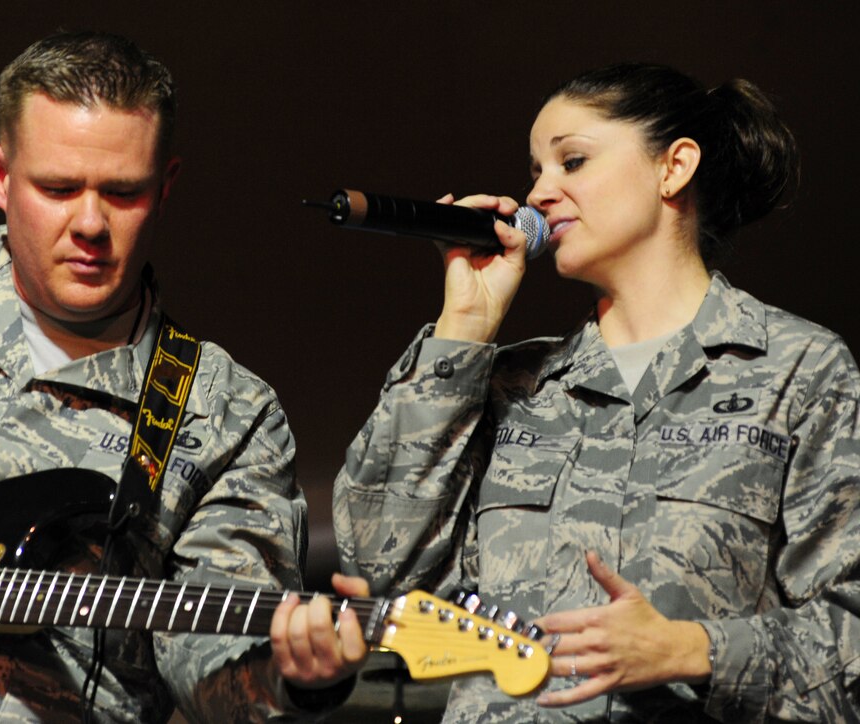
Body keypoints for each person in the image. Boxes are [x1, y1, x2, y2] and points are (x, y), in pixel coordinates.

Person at [0, 31, 367, 723]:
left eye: (123, 192)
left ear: (166, 186)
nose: (90, 223)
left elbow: (215, 682)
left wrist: (295, 676)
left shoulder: (230, 416)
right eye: (57, 187)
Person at [334, 61, 860, 722]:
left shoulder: (797, 370)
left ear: (674, 168)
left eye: (572, 162)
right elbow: (379, 571)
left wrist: (696, 649)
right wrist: (464, 328)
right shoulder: (507, 385)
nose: (539, 195)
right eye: (534, 172)